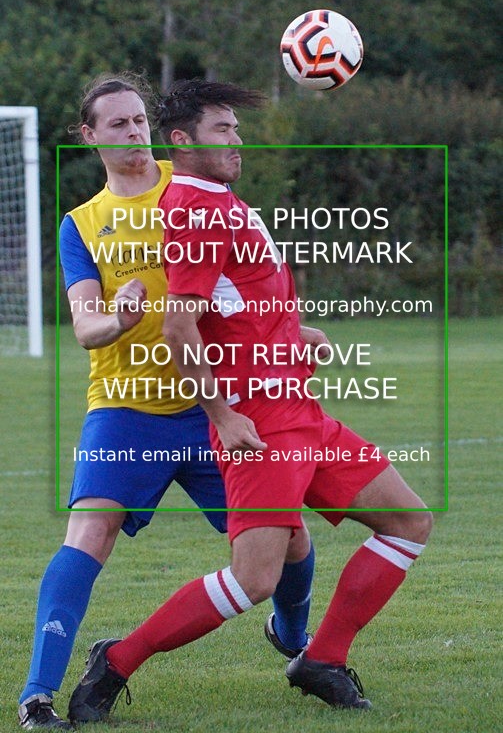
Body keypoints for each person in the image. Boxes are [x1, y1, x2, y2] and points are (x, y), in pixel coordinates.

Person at [68, 79, 432, 722]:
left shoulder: (220, 200)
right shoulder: (196, 209)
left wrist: (295, 334)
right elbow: (180, 326)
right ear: (182, 141)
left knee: (408, 523)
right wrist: (222, 414)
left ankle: (321, 658)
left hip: (301, 412)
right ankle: (117, 660)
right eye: (224, 130)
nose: (238, 140)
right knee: (253, 580)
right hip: (261, 424)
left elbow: (236, 300)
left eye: (236, 127)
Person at [18, 74, 316, 730]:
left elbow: (247, 283)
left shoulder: (193, 190)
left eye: (138, 121)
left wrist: (292, 334)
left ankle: (294, 641)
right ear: (88, 135)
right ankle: (37, 697)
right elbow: (85, 326)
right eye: (116, 124)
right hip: (124, 410)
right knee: (88, 533)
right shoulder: (82, 226)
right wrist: (117, 320)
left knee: (290, 542)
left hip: (220, 408)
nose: (132, 132)